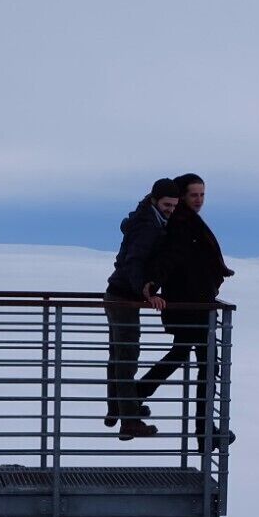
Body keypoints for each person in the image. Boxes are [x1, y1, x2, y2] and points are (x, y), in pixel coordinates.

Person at [135, 172, 233, 447]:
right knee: (207, 363)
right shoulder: (182, 224)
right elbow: (170, 257)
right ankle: (203, 431)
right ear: (183, 196)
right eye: (194, 195)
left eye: (202, 195)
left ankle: (135, 396)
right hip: (190, 305)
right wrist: (153, 283)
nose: (199, 200)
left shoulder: (185, 221)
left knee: (188, 356)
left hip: (194, 303)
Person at [104, 177, 180, 435]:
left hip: (117, 295)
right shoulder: (148, 225)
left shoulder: (147, 218)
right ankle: (129, 420)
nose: (170, 209)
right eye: (167, 204)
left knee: (118, 357)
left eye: (174, 205)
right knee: (127, 359)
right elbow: (134, 262)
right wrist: (145, 291)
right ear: (155, 200)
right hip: (124, 297)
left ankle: (117, 406)